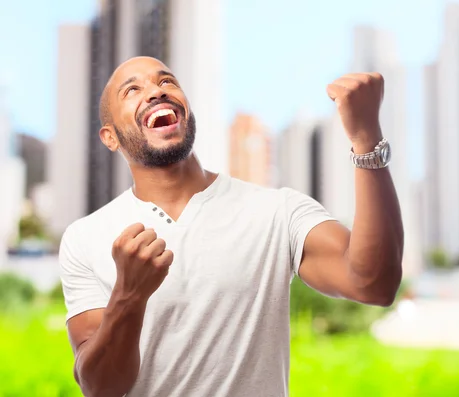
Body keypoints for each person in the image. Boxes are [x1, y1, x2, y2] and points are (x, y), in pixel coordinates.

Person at [59, 56, 403, 397]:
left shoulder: (278, 212)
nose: (155, 92)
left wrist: (365, 137)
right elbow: (100, 387)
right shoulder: (84, 238)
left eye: (166, 82)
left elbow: (374, 284)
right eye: (132, 90)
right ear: (110, 137)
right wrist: (129, 296)